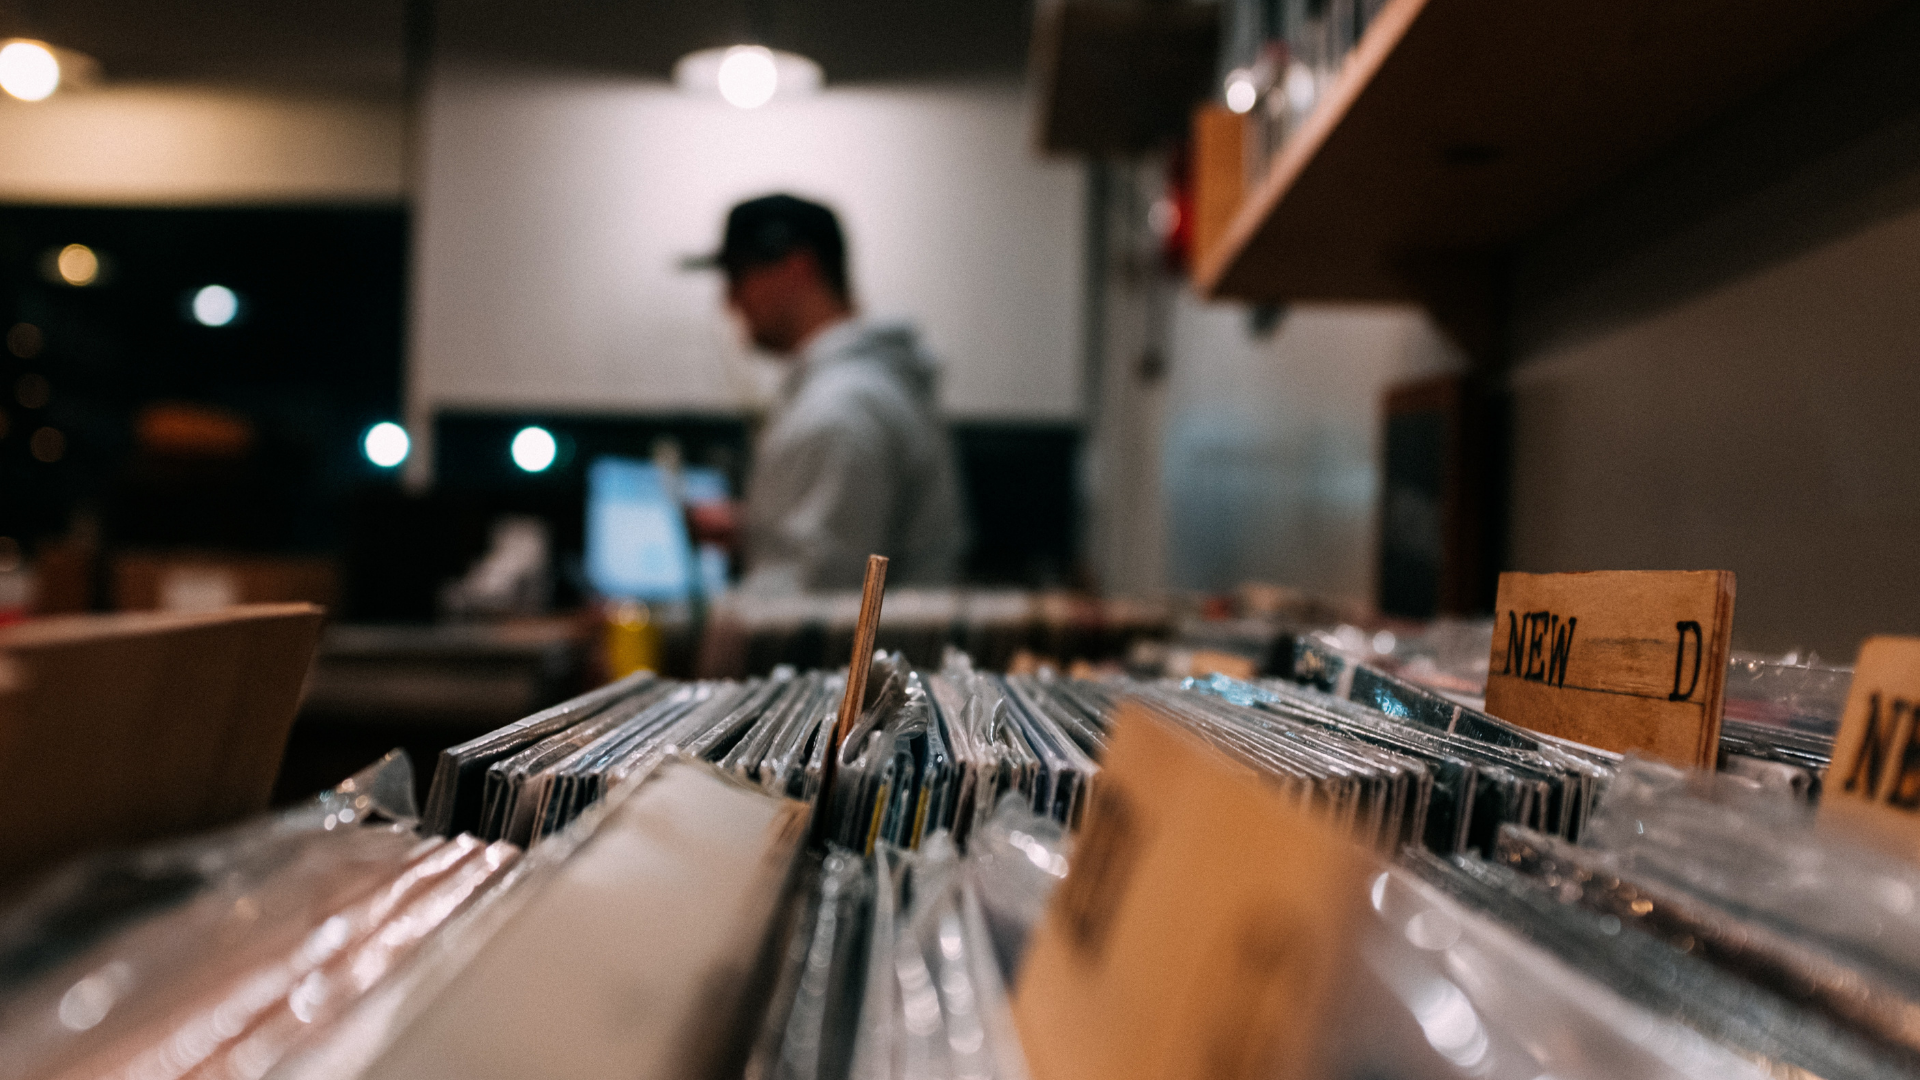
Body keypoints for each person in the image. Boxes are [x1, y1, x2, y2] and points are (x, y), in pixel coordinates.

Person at [704, 194, 964, 592]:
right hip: (877, 652)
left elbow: (817, 594)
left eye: (738, 276)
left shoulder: (843, 408)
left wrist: (697, 631)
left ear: (796, 268)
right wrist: (756, 530)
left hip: (850, 657)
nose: (730, 300)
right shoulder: (858, 389)